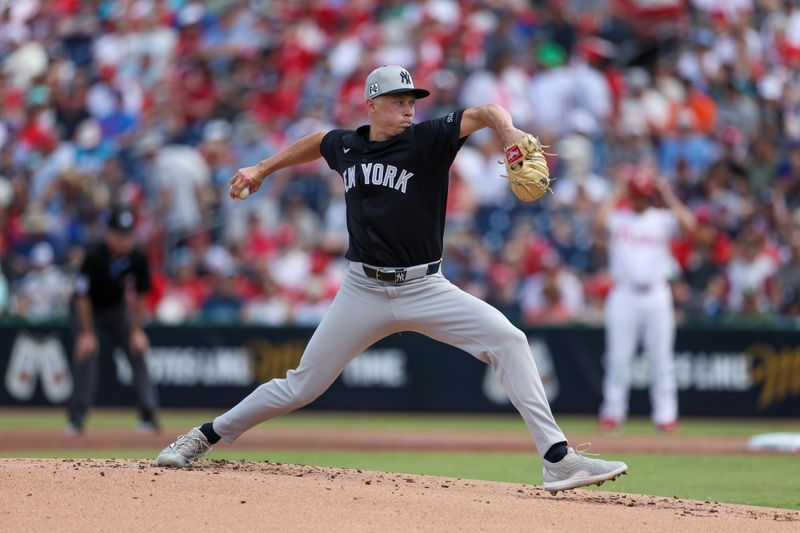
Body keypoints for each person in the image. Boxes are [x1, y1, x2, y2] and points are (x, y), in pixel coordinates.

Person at [156, 65, 628, 493]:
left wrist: (508, 132)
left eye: (411, 101)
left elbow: (485, 110)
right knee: (302, 385)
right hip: (362, 289)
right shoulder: (348, 145)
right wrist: (261, 168)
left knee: (509, 339)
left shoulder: (428, 140)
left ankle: (557, 459)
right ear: (372, 105)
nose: (408, 108)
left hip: (426, 287)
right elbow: (318, 141)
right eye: (399, 100)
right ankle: (203, 436)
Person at [595, 169, 697, 432]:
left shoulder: (662, 219)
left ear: (651, 196)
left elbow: (690, 227)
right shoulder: (619, 218)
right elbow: (597, 224)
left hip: (656, 293)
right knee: (618, 357)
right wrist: (618, 192)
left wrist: (669, 196)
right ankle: (613, 412)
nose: (640, 200)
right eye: (636, 195)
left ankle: (666, 416)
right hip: (624, 293)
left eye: (644, 195)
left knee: (661, 358)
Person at [67, 206, 160, 435]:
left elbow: (141, 294)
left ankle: (148, 415)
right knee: (86, 353)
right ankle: (77, 418)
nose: (125, 240)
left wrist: (137, 330)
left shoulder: (137, 257)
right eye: (120, 235)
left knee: (137, 351)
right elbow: (81, 296)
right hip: (88, 310)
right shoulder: (94, 254)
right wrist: (87, 333)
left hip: (117, 310)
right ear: (108, 234)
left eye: (128, 235)